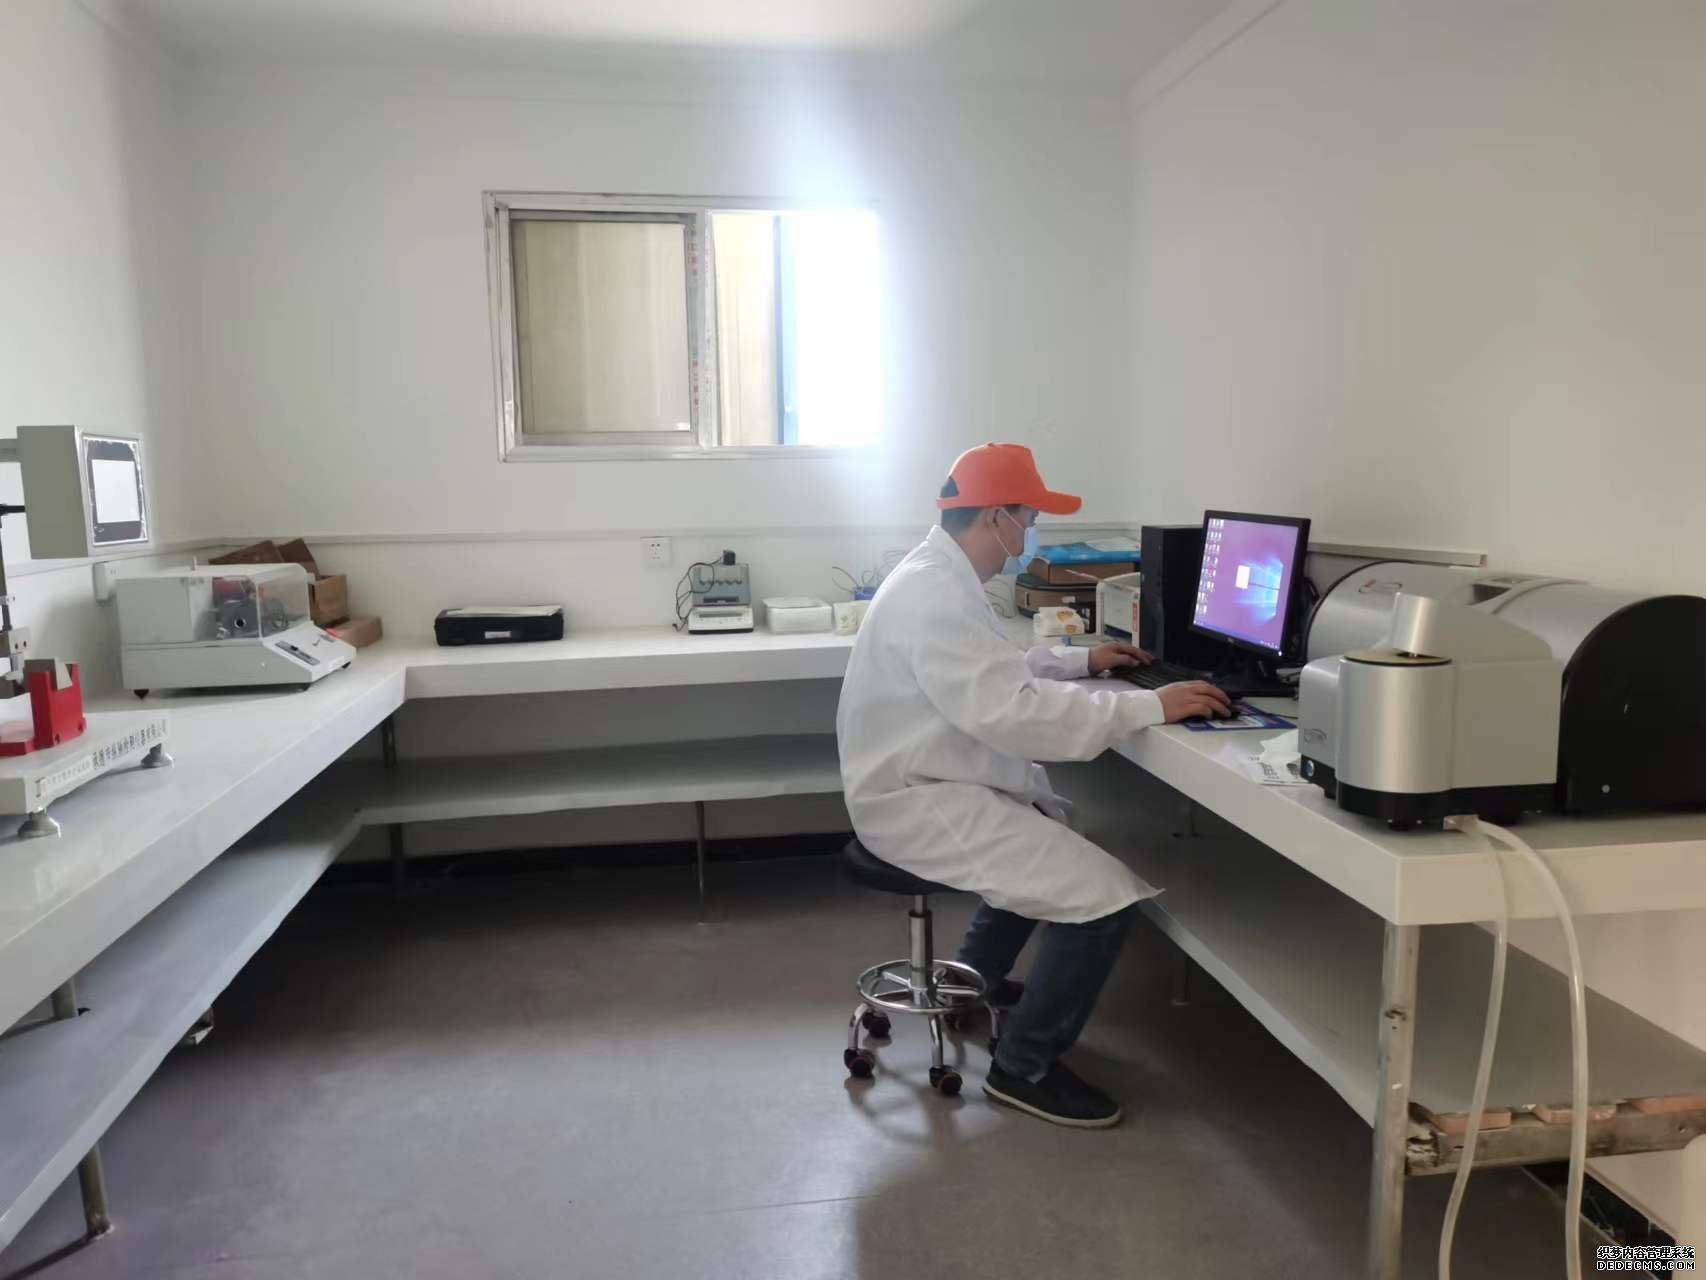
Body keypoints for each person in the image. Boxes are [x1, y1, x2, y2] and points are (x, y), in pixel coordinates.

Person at [835, 442, 1231, 1128]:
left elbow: (992, 668)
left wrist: (1081, 662)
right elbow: (1014, 713)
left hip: (926, 779)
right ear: (997, 517)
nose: (1031, 532)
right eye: (1030, 517)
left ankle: (973, 985)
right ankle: (1023, 1068)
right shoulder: (935, 594)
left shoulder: (940, 574)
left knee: (1048, 832)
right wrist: (1149, 705)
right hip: (917, 799)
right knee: (1106, 897)